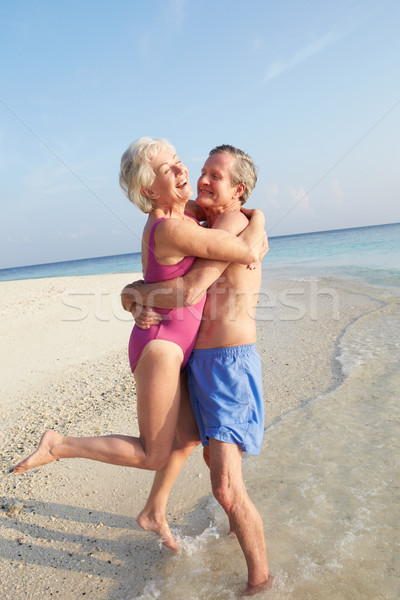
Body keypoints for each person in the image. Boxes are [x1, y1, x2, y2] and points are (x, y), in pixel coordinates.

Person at [13, 138, 266, 554]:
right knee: (153, 453)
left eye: (181, 163)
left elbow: (156, 277)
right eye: (171, 170)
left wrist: (133, 295)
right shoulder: (173, 226)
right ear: (149, 189)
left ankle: (154, 511)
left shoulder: (185, 216)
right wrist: (258, 219)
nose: (186, 173)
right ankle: (59, 445)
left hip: (176, 345)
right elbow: (239, 252)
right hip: (163, 345)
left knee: (185, 439)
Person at [121, 144, 273, 595]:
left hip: (228, 366)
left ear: (238, 190)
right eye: (202, 171)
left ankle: (261, 583)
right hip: (200, 364)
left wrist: (136, 293)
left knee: (225, 485)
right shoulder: (204, 222)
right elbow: (165, 260)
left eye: (216, 176)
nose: (203, 180)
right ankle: (231, 538)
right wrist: (132, 295)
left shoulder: (231, 226)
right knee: (206, 455)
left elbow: (186, 290)